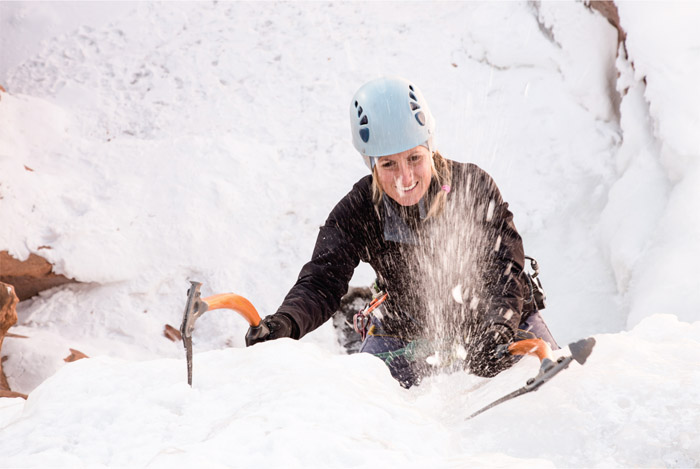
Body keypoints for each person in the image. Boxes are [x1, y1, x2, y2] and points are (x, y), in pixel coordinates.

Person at [245, 76, 558, 387]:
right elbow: (321, 282)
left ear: (430, 149)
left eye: (414, 158)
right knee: (362, 397)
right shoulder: (359, 209)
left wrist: (497, 330)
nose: (405, 178)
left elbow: (504, 269)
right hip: (409, 331)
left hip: (501, 321)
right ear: (371, 165)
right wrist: (287, 322)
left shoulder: (471, 187)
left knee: (555, 389)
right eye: (388, 164)